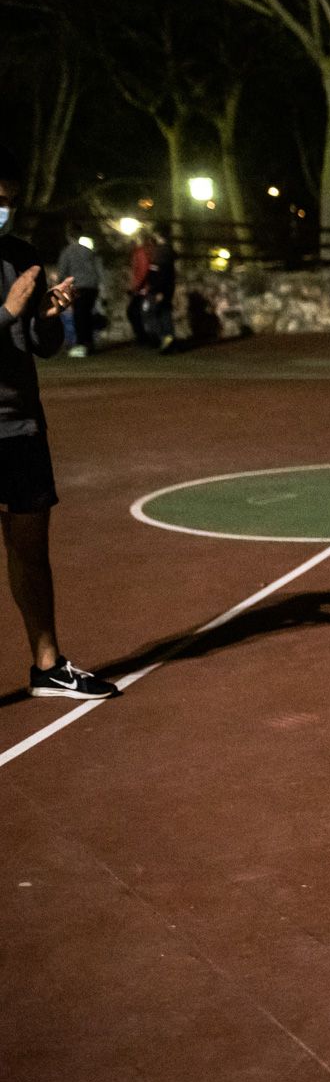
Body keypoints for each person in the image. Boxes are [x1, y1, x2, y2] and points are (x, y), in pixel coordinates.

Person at [0, 150, 119, 700]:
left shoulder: (23, 256)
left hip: (19, 426)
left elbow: (40, 348)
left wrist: (48, 319)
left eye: (9, 197)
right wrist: (6, 311)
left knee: (31, 548)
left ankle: (47, 666)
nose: (4, 206)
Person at [54, 228, 102, 359]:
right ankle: (89, 343)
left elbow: (62, 272)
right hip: (92, 286)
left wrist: (61, 287)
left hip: (78, 286)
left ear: (69, 236)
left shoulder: (67, 252)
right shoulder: (89, 251)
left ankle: (81, 344)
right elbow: (97, 269)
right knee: (88, 314)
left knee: (79, 316)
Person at [145, 226, 176, 353]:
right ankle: (168, 341)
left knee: (157, 314)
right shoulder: (167, 251)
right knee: (164, 313)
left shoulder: (162, 252)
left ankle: (165, 340)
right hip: (165, 288)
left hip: (159, 289)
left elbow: (161, 273)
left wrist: (159, 291)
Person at [127, 230, 153, 347]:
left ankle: (143, 338)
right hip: (143, 287)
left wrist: (137, 287)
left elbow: (143, 270)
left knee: (133, 312)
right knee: (137, 312)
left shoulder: (141, 252)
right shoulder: (145, 251)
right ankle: (144, 337)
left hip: (142, 288)